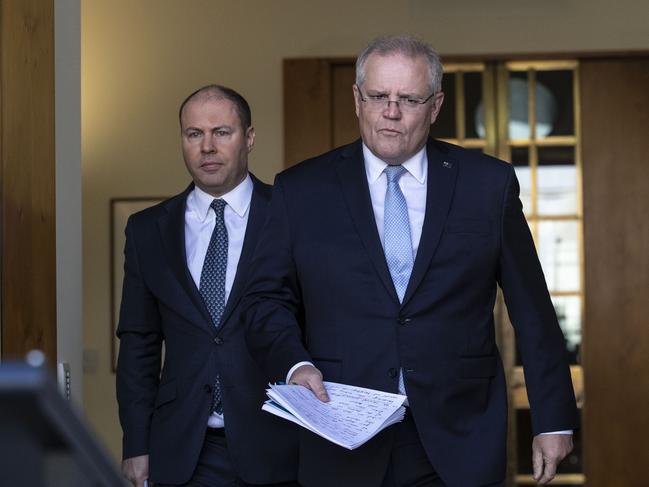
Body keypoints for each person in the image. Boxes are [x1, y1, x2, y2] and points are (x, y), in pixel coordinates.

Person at [242, 36, 578, 487]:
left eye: (409, 99)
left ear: (435, 105)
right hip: (340, 433)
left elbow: (532, 309)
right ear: (357, 100)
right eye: (378, 97)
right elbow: (265, 299)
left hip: (460, 433)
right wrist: (294, 365)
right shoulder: (301, 190)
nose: (392, 112)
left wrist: (552, 419)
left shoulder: (487, 185)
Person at [116, 85, 299, 487]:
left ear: (249, 138)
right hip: (182, 449)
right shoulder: (148, 230)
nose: (207, 147)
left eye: (222, 132)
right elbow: (138, 344)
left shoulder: (291, 215)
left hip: (278, 445)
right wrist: (135, 444)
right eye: (194, 134)